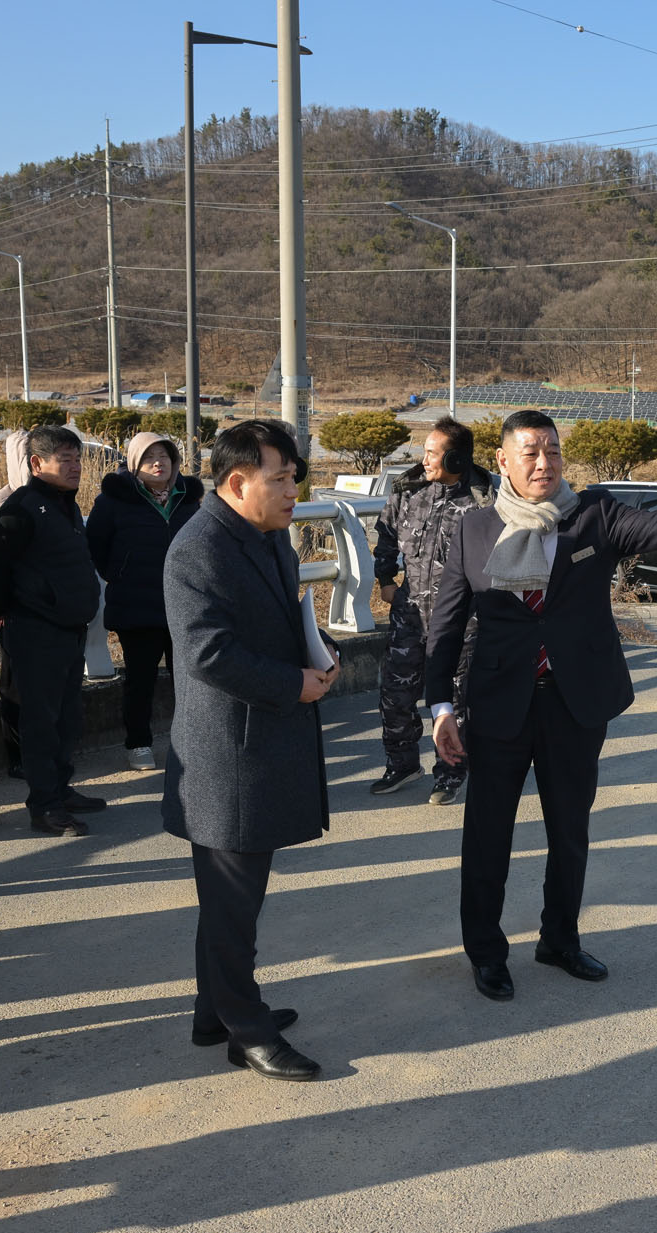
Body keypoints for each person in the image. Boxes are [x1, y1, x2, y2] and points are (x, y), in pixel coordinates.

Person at [427, 409, 657, 1001]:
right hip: (497, 705)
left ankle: (559, 940)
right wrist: (440, 707)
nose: (544, 463)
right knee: (487, 837)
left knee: (570, 831)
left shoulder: (594, 514)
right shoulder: (474, 528)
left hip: (573, 703)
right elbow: (445, 624)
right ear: (503, 461)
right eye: (530, 452)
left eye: (552, 450)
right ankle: (486, 952)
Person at [162, 419, 338, 1082]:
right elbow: (207, 653)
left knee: (232, 902)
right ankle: (246, 1029)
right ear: (237, 483)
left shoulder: (269, 537)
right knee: (233, 904)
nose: (294, 490)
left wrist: (318, 652)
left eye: (295, 477)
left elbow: (282, 621)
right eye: (281, 478)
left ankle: (215, 1012)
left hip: (258, 744)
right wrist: (293, 684)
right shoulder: (198, 548)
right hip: (227, 757)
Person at [0, 424, 105, 835]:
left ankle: (60, 789)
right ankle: (44, 805)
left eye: (77, 459)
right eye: (65, 459)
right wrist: (5, 609)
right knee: (41, 723)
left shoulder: (65, 505)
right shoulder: (22, 509)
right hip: (36, 632)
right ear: (36, 463)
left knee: (67, 719)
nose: (75, 467)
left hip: (69, 629)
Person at [370, 416, 492, 805]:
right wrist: (386, 579)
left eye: (431, 453)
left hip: (459, 620)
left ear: (456, 459)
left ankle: (450, 773)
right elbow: (386, 533)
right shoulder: (409, 492)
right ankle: (402, 764)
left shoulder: (483, 504)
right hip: (409, 614)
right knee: (395, 694)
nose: (423, 460)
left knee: (455, 701)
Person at [86, 430, 202, 771]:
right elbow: (96, 546)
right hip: (136, 605)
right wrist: (120, 573)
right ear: (134, 463)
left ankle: (191, 742)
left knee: (190, 679)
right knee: (140, 680)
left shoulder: (188, 498)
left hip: (184, 605)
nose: (158, 463)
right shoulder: (113, 501)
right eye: (149, 457)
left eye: (164, 456)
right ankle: (138, 744)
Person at [0, 429, 31, 781]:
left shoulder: (55, 499)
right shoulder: (2, 502)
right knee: (14, 686)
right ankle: (17, 755)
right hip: (12, 614)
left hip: (48, 615)